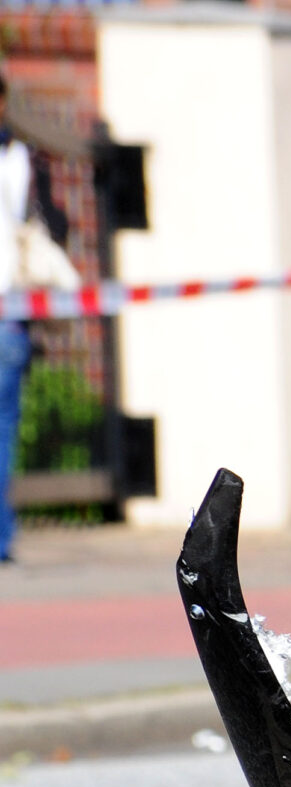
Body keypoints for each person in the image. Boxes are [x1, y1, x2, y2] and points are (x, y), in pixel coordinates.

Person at [0, 74, 68, 565]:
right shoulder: (20, 158)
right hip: (11, 312)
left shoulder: (19, 157)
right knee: (4, 429)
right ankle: (1, 537)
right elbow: (53, 222)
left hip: (11, 315)